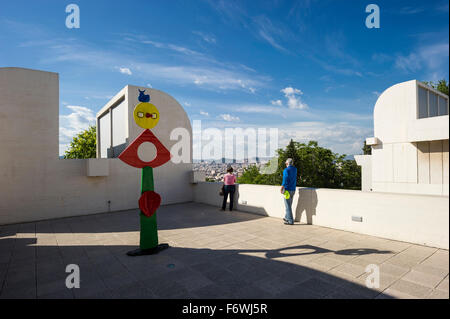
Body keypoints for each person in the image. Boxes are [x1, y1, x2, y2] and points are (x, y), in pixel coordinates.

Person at [280, 158, 297, 225]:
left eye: (285, 163)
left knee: (288, 206)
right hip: (293, 189)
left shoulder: (286, 170)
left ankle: (290, 221)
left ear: (287, 163)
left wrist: (282, 187)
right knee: (289, 205)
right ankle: (286, 217)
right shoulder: (295, 169)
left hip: (287, 190)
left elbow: (285, 179)